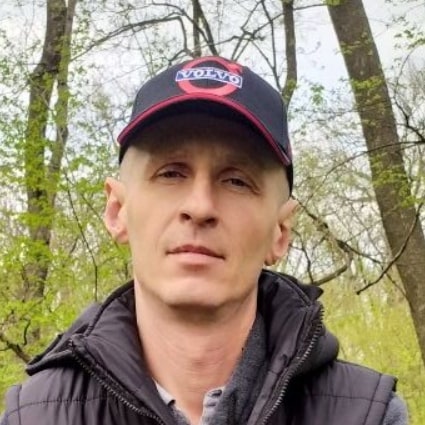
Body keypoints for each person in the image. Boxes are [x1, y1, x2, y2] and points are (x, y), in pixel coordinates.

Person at [1, 56, 408, 425]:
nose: (200, 207)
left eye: (237, 180)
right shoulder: (32, 417)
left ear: (280, 232)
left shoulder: (368, 415)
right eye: (171, 173)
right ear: (117, 211)